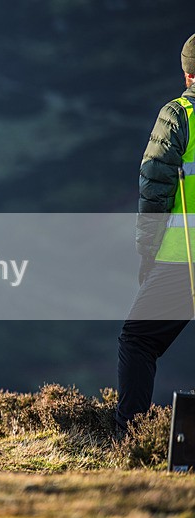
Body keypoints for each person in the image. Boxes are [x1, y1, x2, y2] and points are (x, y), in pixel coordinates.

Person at [116, 34, 195, 435]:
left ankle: (131, 439)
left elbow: (154, 191)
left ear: (187, 74)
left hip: (184, 258)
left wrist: (147, 255)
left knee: (138, 340)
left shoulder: (179, 115)